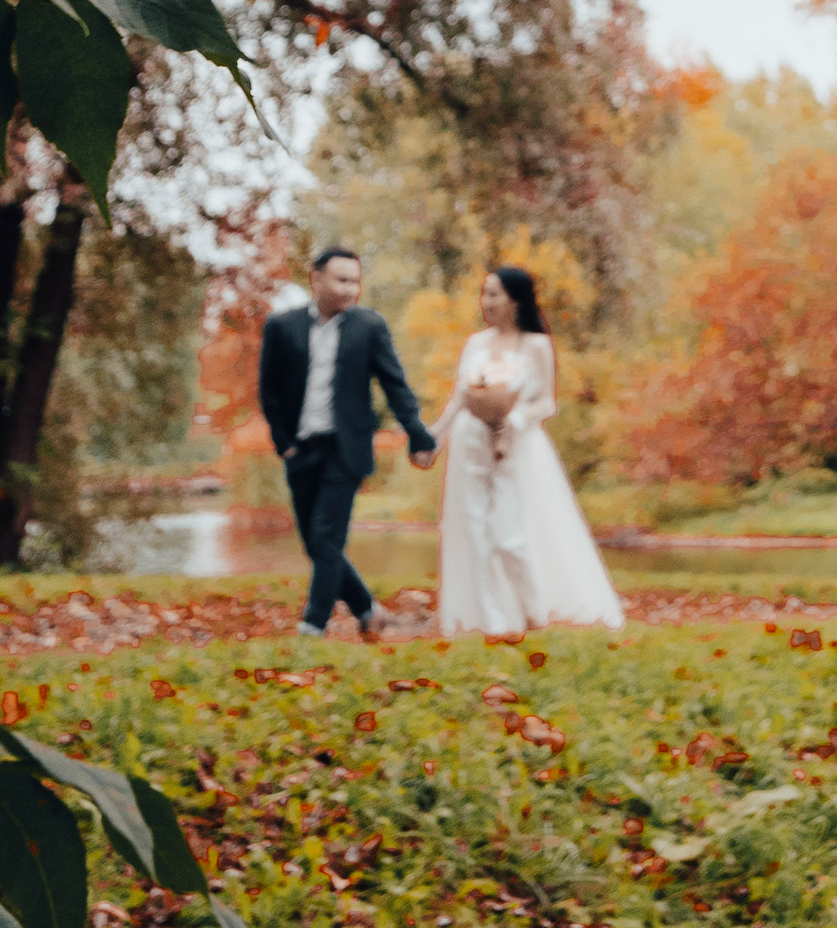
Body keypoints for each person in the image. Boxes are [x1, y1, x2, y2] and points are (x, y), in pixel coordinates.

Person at [428, 265, 624, 639]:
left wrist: (513, 420)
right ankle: (493, 622)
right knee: (475, 532)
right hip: (470, 445)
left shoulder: (536, 344)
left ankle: (535, 614)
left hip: (515, 446)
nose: (486, 302)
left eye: (494, 294)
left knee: (508, 536)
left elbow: (547, 402)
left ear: (515, 300)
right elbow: (459, 399)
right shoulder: (475, 343)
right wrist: (434, 437)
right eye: (484, 294)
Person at [257, 246, 435, 642]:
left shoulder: (369, 326)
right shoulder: (281, 327)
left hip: (346, 449)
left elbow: (394, 384)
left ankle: (312, 626)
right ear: (315, 279)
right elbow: (269, 391)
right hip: (300, 450)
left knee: (326, 538)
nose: (351, 289)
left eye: (355, 281)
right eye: (342, 280)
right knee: (316, 544)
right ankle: (368, 611)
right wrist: (284, 444)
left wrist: (418, 434)